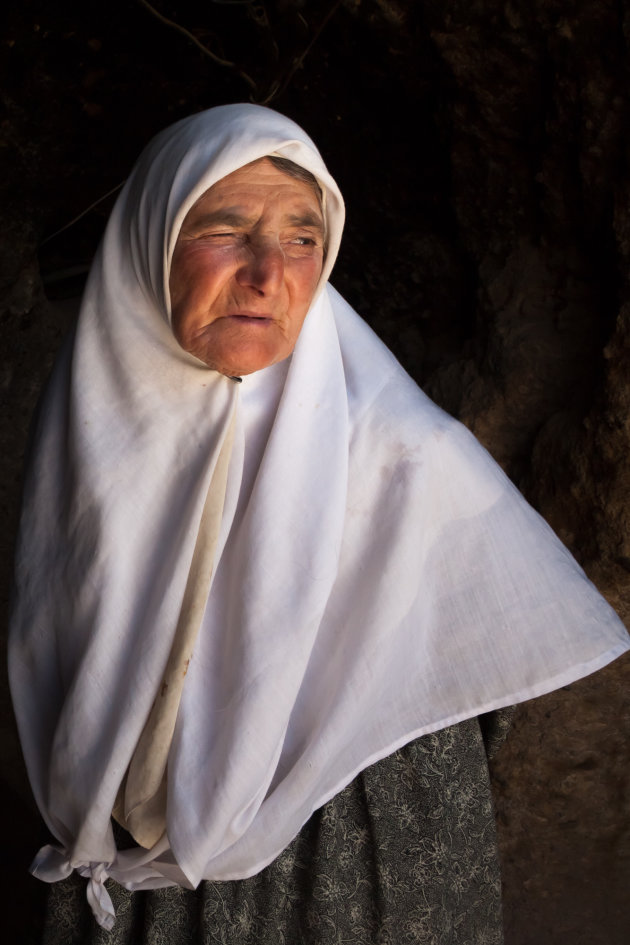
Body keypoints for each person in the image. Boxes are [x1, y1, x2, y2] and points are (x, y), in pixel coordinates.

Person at [9, 104, 629, 945]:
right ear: (148, 243)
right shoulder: (89, 424)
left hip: (347, 870)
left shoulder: (405, 453)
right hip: (129, 881)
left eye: (303, 239)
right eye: (226, 228)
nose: (270, 273)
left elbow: (478, 661)